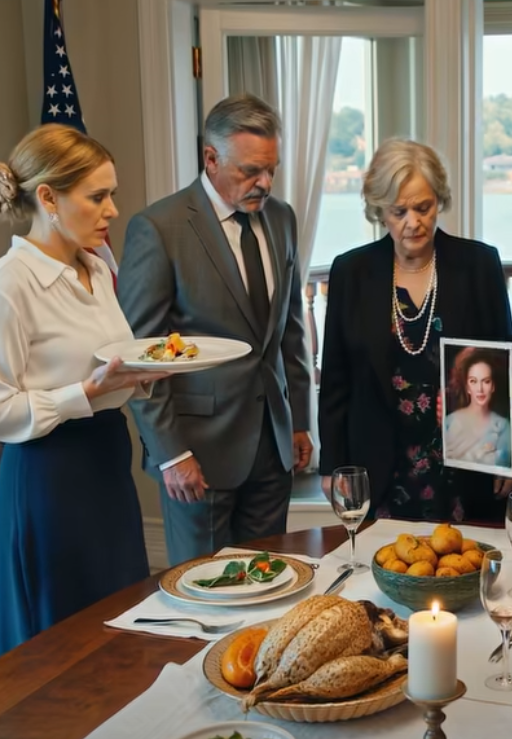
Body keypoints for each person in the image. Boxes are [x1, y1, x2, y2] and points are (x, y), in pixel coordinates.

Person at [118, 93, 312, 566]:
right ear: (211, 158)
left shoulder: (282, 218)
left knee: (269, 585)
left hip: (273, 449)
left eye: (271, 169)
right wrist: (170, 454)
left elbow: (289, 330)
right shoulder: (159, 228)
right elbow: (141, 354)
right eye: (250, 171)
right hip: (197, 455)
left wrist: (301, 420)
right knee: (203, 592)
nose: (264, 183)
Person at [0, 124, 166, 655]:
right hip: (48, 477)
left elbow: (109, 366)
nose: (113, 210)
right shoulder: (10, 284)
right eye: (98, 196)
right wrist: (86, 393)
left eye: (111, 194)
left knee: (116, 625)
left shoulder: (97, 266)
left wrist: (139, 375)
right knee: (61, 643)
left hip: (106, 464)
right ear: (47, 197)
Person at [318, 138, 512, 523]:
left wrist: (511, 456)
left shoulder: (479, 265)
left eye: (423, 207)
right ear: (380, 211)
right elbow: (335, 379)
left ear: (439, 201)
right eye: (399, 211)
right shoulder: (351, 272)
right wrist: (331, 465)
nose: (413, 222)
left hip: (466, 463)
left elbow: (505, 364)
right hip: (379, 463)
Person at [444, 347, 512, 469]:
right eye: (473, 381)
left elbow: (503, 467)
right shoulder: (449, 422)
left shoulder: (503, 426)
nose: (480, 389)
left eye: (486, 381)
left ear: (493, 386)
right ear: (467, 387)